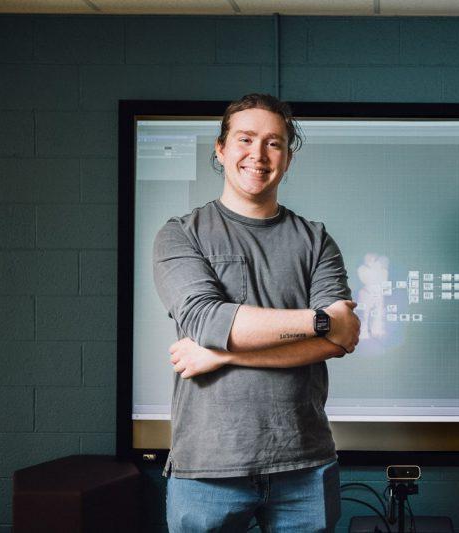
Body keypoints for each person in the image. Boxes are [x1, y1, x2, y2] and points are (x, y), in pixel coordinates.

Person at [152, 93, 360, 532]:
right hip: (208, 468)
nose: (258, 154)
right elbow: (207, 322)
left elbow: (342, 341)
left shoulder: (316, 240)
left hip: (305, 464)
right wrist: (319, 321)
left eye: (274, 143)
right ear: (221, 148)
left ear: (287, 157)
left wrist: (224, 354)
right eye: (245, 139)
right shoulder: (180, 235)